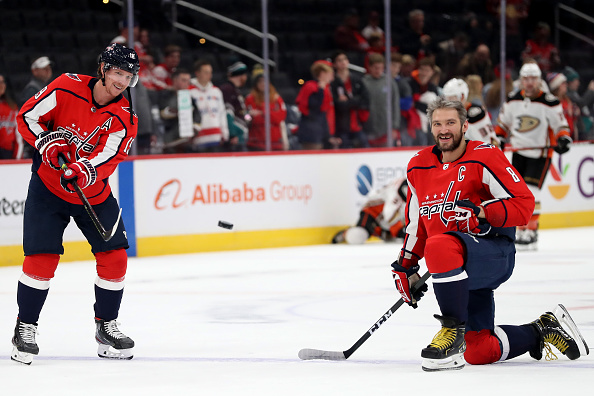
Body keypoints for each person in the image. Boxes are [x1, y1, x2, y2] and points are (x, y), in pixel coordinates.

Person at [391, 96, 588, 372]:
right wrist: (406, 265)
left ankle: (451, 332)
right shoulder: (418, 166)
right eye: (437, 123)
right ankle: (542, 329)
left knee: (439, 246)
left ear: (464, 126)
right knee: (479, 351)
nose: (443, 129)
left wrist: (482, 212)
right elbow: (417, 224)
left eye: (450, 122)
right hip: (454, 267)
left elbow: (524, 204)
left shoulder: (485, 156)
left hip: (492, 253)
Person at [12, 43, 139, 365]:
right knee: (42, 259)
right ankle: (25, 328)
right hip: (48, 189)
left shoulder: (125, 117)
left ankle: (106, 326)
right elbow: (28, 116)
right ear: (103, 69)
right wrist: (46, 141)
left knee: (114, 257)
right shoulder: (67, 86)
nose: (122, 82)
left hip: (92, 195)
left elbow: (110, 156)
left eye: (128, 76)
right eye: (117, 73)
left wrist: (84, 170)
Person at [495, 63, 572, 248]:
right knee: (517, 194)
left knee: (532, 191)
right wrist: (499, 139)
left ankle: (532, 230)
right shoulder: (513, 100)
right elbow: (503, 124)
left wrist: (563, 138)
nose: (529, 83)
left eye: (533, 79)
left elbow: (561, 125)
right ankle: (521, 230)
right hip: (519, 153)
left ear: (539, 80)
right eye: (526, 79)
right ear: (521, 80)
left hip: (540, 154)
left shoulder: (549, 101)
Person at [331, 177, 407, 244]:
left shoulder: (402, 183)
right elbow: (390, 215)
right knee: (357, 236)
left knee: (393, 240)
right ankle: (346, 233)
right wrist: (402, 233)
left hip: (383, 220)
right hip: (371, 214)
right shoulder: (395, 196)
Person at [295, 60, 340, 150]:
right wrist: (320, 92)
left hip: (320, 132)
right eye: (330, 73)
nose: (332, 76)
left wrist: (328, 136)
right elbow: (314, 109)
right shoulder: (311, 87)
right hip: (311, 134)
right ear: (322, 73)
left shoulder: (325, 89)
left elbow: (323, 115)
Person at [330, 51, 370, 148]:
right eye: (339, 60)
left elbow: (365, 99)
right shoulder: (333, 82)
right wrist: (353, 101)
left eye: (344, 59)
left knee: (366, 149)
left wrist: (347, 101)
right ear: (334, 64)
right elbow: (336, 104)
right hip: (341, 126)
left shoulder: (357, 79)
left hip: (358, 124)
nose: (343, 62)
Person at [442, 77, 497, 145]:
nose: (447, 103)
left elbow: (486, 143)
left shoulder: (475, 113)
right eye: (446, 99)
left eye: (450, 98)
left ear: (462, 96)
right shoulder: (454, 115)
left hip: (487, 152)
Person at [189, 59, 229, 152]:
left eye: (210, 72)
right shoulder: (189, 92)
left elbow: (222, 113)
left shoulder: (216, 91)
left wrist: (225, 133)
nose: (209, 75)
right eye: (206, 72)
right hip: (198, 139)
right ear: (197, 73)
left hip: (216, 137)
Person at [244, 67, 288, 151]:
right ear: (255, 84)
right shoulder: (249, 99)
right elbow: (247, 118)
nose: (263, 83)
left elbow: (280, 117)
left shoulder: (276, 99)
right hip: (256, 143)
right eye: (260, 81)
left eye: (265, 81)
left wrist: (261, 113)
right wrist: (270, 115)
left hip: (275, 143)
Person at [362, 53, 400, 147]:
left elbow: (395, 104)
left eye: (380, 67)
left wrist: (394, 127)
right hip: (368, 127)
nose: (378, 70)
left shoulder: (389, 82)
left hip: (386, 128)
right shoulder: (364, 82)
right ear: (369, 67)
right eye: (375, 67)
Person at [159, 68, 200, 153]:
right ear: (175, 80)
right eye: (183, 80)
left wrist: (195, 129)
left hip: (186, 142)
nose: (186, 84)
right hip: (169, 142)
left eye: (188, 81)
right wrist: (180, 112)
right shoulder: (165, 95)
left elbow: (197, 115)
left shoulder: (189, 98)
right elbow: (162, 114)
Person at [219, 61, 249, 151]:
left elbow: (240, 112)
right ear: (240, 75)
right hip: (234, 140)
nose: (246, 78)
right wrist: (232, 134)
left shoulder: (235, 90)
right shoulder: (227, 90)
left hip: (240, 136)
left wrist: (248, 114)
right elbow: (227, 114)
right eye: (245, 75)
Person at [0, 73, 22, 159]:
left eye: (2, 82)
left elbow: (18, 134)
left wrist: (17, 157)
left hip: (8, 152)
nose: (1, 85)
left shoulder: (12, 107)